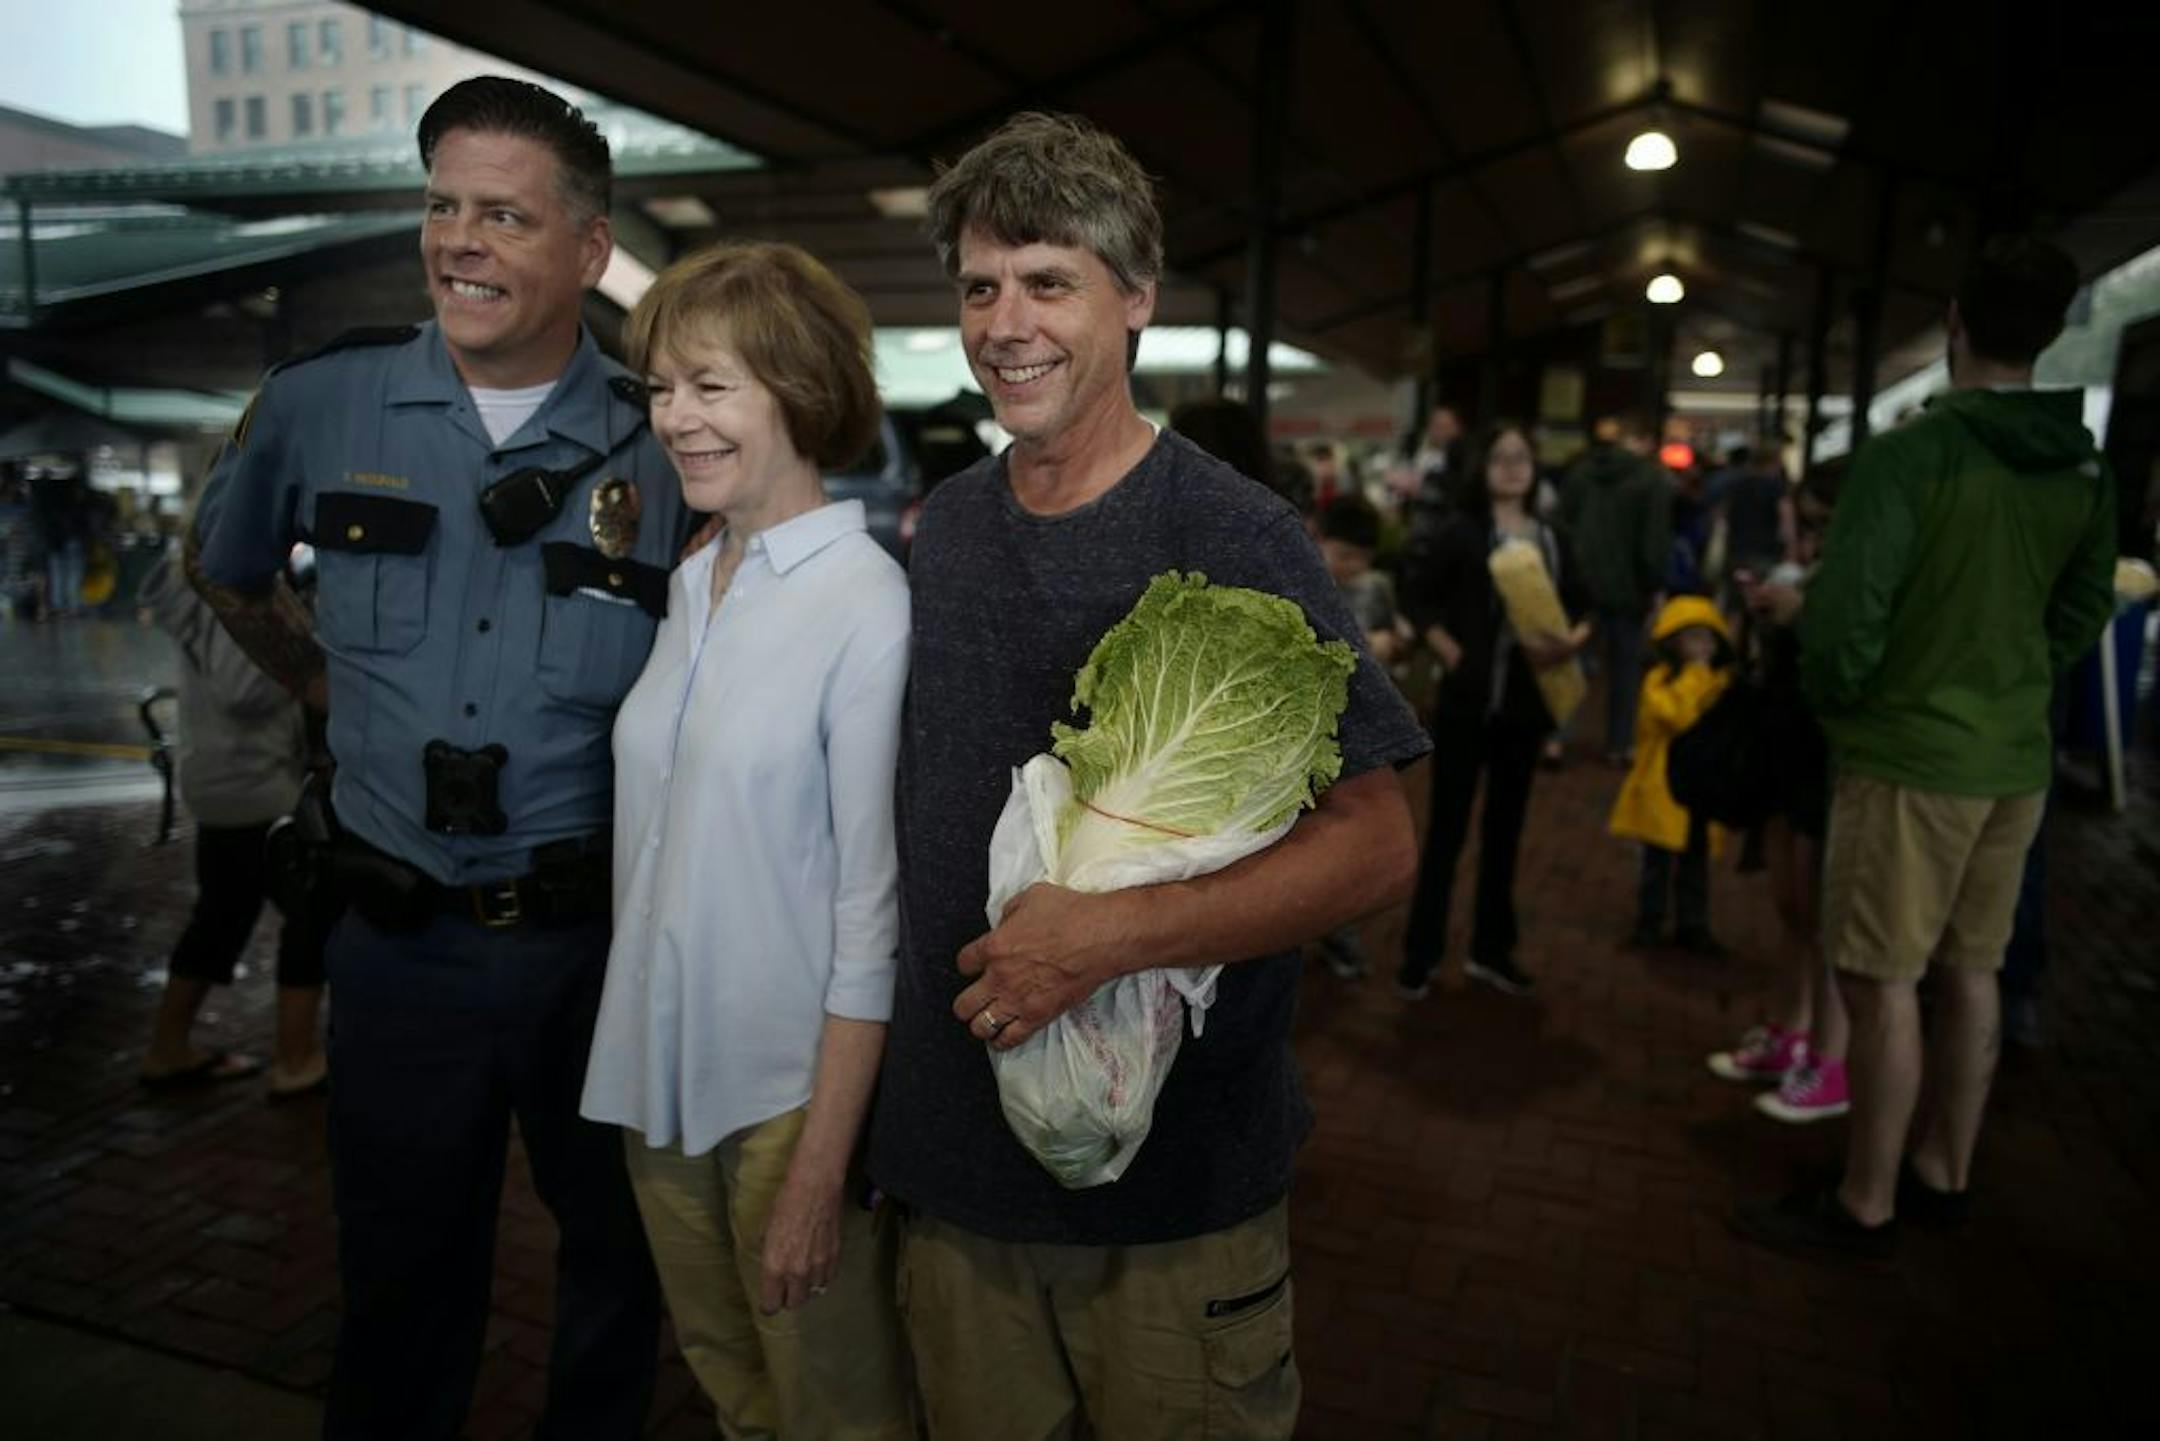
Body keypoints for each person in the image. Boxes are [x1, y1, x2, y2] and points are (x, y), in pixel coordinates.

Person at [867, 111, 1429, 1441]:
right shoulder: (949, 523)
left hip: (1172, 1197)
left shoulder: (1232, 529)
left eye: (1047, 282)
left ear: (1135, 298)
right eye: (980, 288)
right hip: (957, 1176)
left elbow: (1378, 842)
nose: (1006, 324)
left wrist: (1113, 936)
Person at [187, 77, 677, 1437]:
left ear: (589, 249)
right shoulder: (322, 402)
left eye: (503, 215)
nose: (459, 240)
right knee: (398, 1291)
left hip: (599, 955)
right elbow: (225, 566)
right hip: (397, 946)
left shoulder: (664, 439)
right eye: (441, 206)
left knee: (618, 1277)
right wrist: (321, 683)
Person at [579, 240, 914, 1437]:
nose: (675, 417)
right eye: (662, 387)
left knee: (837, 1414)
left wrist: (821, 1167)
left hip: (783, 1095)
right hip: (654, 1079)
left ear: (800, 389)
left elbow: (872, 910)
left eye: (711, 385)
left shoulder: (865, 602)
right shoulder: (694, 579)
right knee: (736, 1392)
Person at [1734, 235, 2116, 1258]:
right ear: (2050, 332)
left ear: (1955, 320)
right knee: (1974, 968)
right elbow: (2087, 605)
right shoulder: (2081, 463)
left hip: (1906, 754)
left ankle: (1866, 1198)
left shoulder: (1913, 455)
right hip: (2013, 757)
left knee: (1881, 978)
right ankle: (1945, 1169)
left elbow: (1845, 619)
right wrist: (2014, 673)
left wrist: (1846, 706)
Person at [1397, 421, 1591, 1000]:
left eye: (1521, 457)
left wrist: (1572, 644)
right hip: (1467, 704)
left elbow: (1585, 604)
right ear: (1480, 469)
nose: (1512, 467)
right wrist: (1451, 652)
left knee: (1507, 832)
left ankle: (1492, 950)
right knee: (1447, 831)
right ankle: (1421, 954)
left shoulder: (1551, 537)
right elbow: (1418, 596)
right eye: (1500, 458)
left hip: (1526, 707)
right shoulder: (1462, 533)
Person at [136, 545, 330, 1100]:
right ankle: (296, 1060)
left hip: (224, 776)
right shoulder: (238, 587)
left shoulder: (211, 577)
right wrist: (305, 662)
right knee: (311, 914)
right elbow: (242, 686)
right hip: (253, 783)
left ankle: (167, 1049)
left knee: (223, 914)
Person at [1706, 472, 1850, 1122]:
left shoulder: (1854, 578)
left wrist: (1803, 614)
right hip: (1786, 751)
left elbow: (1850, 658)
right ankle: (1793, 1031)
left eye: (1816, 522)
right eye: (1803, 520)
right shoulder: (1807, 573)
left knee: (1823, 918)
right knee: (1793, 909)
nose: (1804, 534)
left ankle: (1829, 1056)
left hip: (1826, 758)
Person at [1314, 493, 1413, 980]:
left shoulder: (1376, 589)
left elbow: (1398, 635)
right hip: (1310, 731)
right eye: (1343, 555)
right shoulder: (1302, 580)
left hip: (1356, 736)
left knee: (1342, 845)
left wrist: (1394, 643)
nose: (1352, 567)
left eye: (1361, 558)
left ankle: (1340, 935)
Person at [1608, 595, 1733, 954]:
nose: (1702, 646)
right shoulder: (1658, 682)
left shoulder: (1719, 681)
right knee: (1656, 864)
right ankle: (1650, 922)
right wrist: (1696, 675)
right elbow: (1677, 716)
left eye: (1708, 638)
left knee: (1696, 862)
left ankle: (1693, 924)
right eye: (1693, 637)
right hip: (1661, 787)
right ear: (1674, 642)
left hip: (1701, 788)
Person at [1559, 412, 1673, 762]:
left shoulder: (1580, 473)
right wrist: (1654, 585)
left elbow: (1562, 526)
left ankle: (1557, 739)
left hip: (1580, 586)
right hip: (1628, 589)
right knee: (1625, 670)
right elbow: (1654, 541)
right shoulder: (1651, 479)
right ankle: (1619, 744)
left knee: (1571, 666)